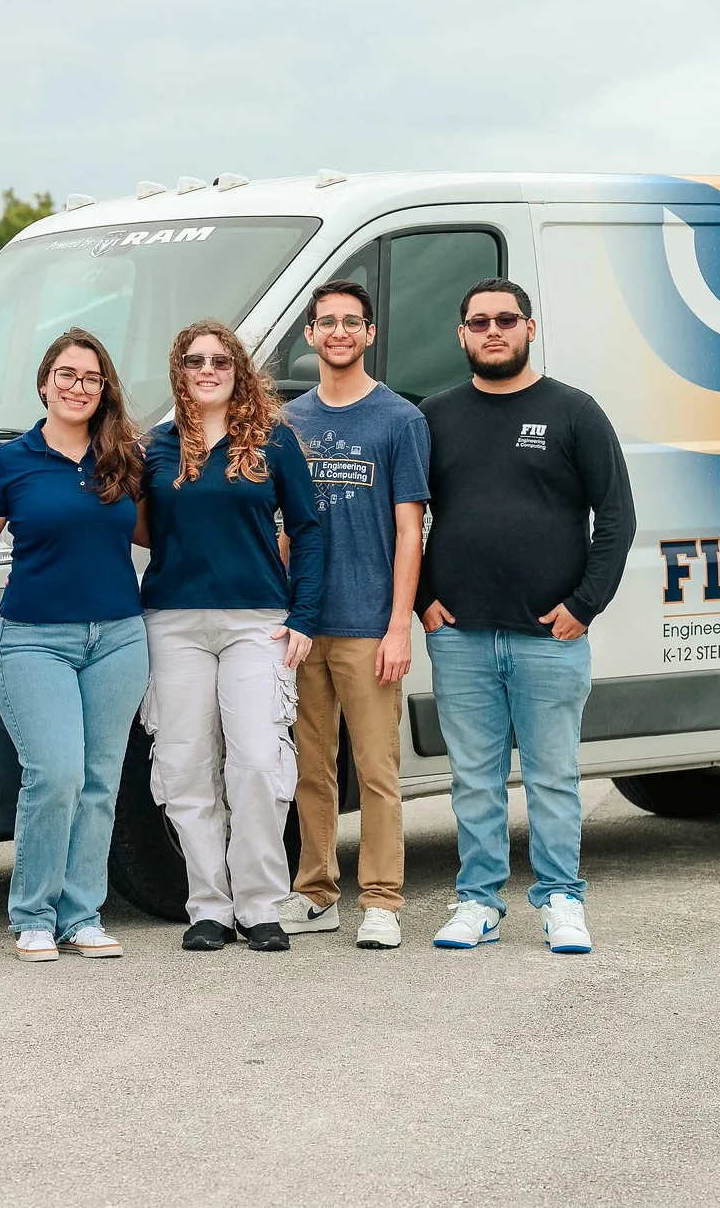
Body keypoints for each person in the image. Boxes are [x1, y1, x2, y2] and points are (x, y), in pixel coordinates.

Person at [417, 278, 634, 955]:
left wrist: (584, 604)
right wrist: (424, 596)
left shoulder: (574, 411)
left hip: (550, 636)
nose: (492, 330)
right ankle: (478, 901)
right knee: (474, 778)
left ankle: (562, 898)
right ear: (461, 335)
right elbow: (405, 516)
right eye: (478, 320)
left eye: (505, 319)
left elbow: (617, 518)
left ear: (529, 328)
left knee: (552, 776)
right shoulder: (435, 416)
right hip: (461, 637)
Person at [137, 320, 325, 953]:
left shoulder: (273, 443)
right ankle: (210, 907)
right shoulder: (156, 449)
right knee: (185, 769)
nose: (208, 369)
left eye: (220, 360)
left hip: (257, 623)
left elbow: (310, 529)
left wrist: (303, 617)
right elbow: (132, 526)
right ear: (179, 372)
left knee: (259, 764)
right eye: (194, 361)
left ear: (239, 369)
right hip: (174, 622)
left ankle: (261, 906)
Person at [0, 329, 149, 963]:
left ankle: (82, 914)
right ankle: (33, 914)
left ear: (103, 391)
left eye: (92, 378)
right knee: (55, 775)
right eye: (68, 375)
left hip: (118, 639)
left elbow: (168, 534)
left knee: (101, 780)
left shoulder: (123, 460)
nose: (79, 387)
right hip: (34, 640)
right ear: (46, 382)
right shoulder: (8, 462)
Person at [276, 280, 429, 950]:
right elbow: (282, 526)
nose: (338, 332)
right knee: (310, 767)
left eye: (351, 322)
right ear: (309, 335)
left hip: (370, 624)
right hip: (304, 624)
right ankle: (315, 892)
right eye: (326, 322)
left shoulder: (400, 420)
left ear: (369, 334)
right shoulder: (289, 422)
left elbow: (409, 529)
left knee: (375, 770)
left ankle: (382, 900)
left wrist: (400, 623)